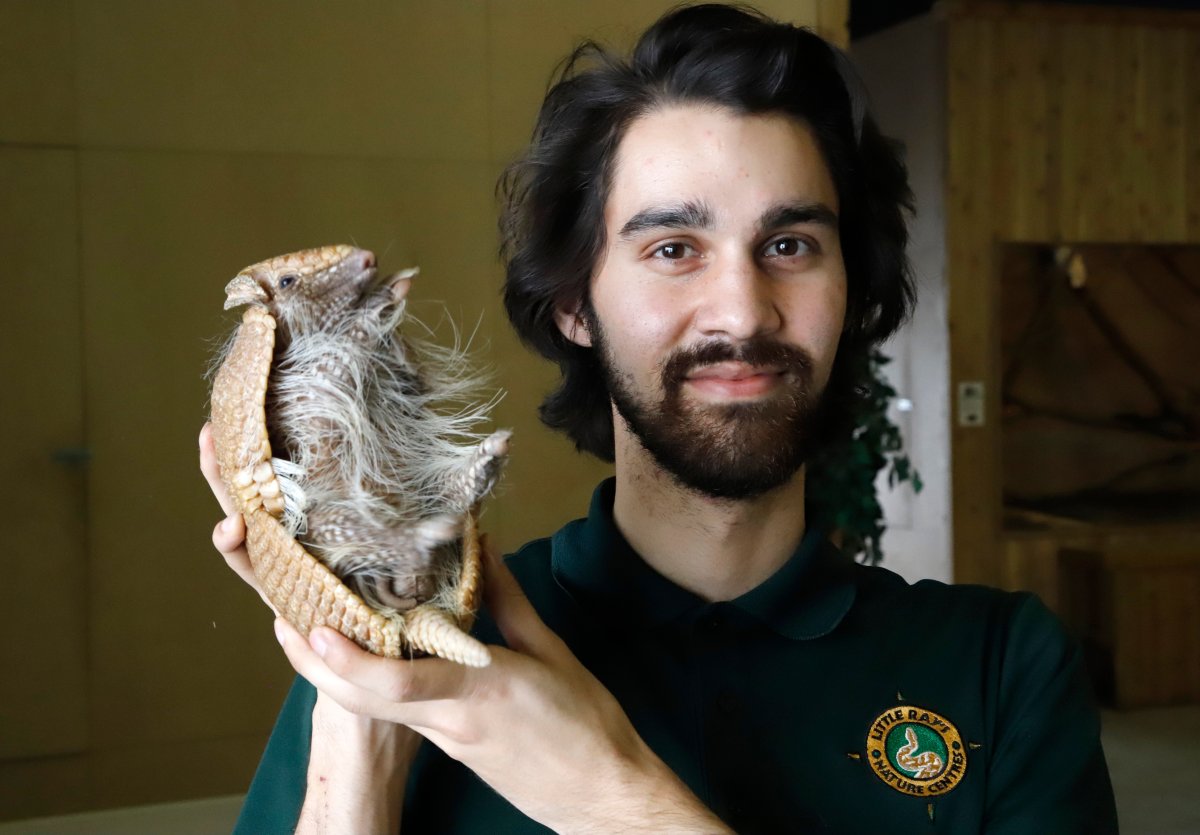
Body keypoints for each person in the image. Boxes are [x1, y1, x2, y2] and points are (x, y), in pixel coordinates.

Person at [200, 5, 1118, 833]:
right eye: (673, 248)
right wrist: (361, 721)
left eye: (789, 246)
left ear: (854, 291)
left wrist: (605, 792)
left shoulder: (1003, 668)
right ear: (574, 305)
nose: (742, 312)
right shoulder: (414, 644)